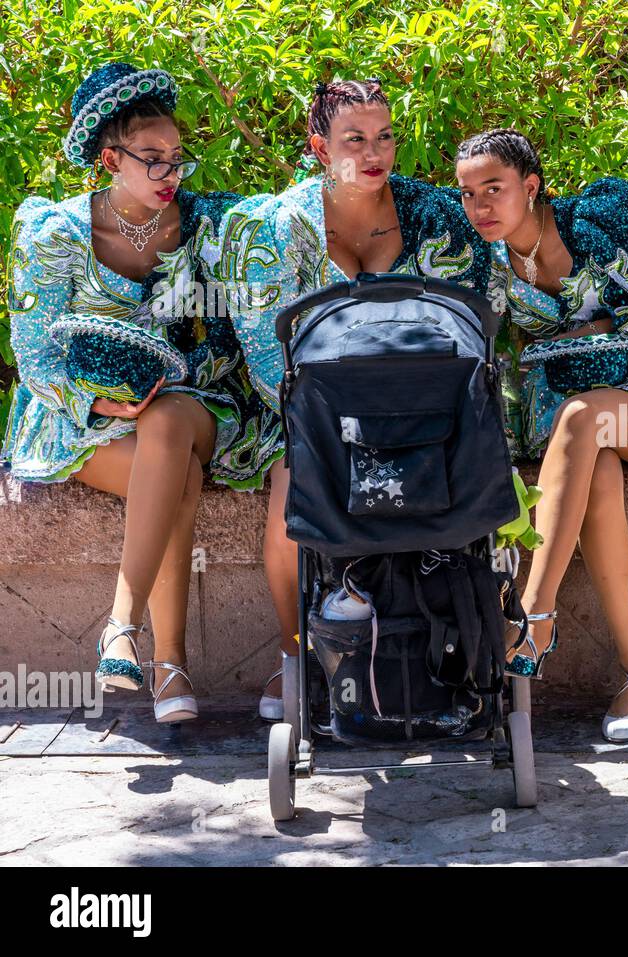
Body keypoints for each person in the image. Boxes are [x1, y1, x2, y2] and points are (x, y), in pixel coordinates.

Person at [4, 63, 281, 722]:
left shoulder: (201, 225)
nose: (170, 175)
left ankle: (121, 623)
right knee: (176, 474)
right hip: (75, 415)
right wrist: (99, 402)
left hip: (185, 401)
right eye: (151, 160)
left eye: (177, 160)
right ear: (109, 158)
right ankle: (168, 669)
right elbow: (35, 356)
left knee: (166, 426)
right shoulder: (56, 234)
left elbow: (267, 249)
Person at [455, 128, 628, 742]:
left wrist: (588, 333)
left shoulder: (599, 217)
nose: (480, 207)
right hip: (568, 416)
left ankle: (533, 610)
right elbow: (479, 348)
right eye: (469, 193)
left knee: (586, 419)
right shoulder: (483, 261)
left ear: (531, 188)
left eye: (495, 189)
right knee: (594, 464)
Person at [219, 78, 491, 719]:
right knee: (293, 488)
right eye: (355, 140)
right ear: (319, 146)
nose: (376, 153)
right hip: (307, 414)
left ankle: (454, 647)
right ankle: (298, 657)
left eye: (386, 136)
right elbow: (266, 354)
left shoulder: (435, 216)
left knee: (467, 469)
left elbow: (468, 329)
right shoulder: (274, 229)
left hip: (423, 410)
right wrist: (329, 419)